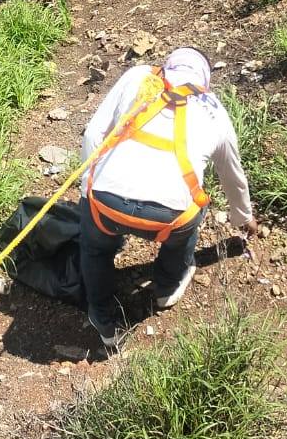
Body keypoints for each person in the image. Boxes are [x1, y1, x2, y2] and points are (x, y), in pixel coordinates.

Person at [79, 47, 256, 345]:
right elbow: (231, 174)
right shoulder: (215, 108)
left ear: (166, 66)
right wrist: (244, 218)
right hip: (169, 219)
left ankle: (104, 321)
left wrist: (88, 188)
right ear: (205, 81)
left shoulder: (138, 77)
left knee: (95, 248)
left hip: (104, 204)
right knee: (188, 222)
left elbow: (93, 134)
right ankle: (167, 288)